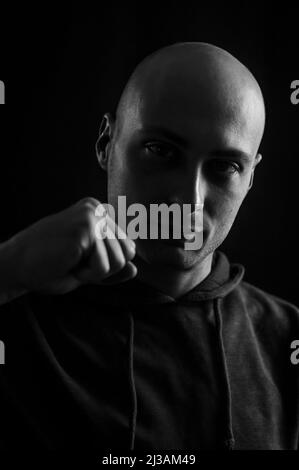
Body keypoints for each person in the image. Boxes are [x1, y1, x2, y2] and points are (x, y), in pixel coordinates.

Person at [0, 42, 298, 451]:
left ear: (249, 179)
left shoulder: (288, 342)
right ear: (107, 143)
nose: (187, 202)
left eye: (225, 167)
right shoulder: (16, 310)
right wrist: (8, 268)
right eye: (161, 151)